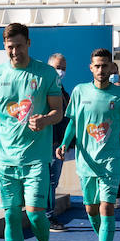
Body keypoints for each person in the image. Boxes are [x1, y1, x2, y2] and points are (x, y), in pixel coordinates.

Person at [0, 22, 65, 241]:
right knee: (10, 217)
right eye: (9, 47)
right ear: (4, 47)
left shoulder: (45, 74)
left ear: (28, 43)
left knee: (35, 215)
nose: (14, 51)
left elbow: (59, 112)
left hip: (35, 159)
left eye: (18, 45)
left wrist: (45, 120)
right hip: (6, 161)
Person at [56, 49, 120, 241]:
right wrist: (64, 143)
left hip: (111, 161)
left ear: (112, 68)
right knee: (90, 209)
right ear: (91, 68)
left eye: (105, 66)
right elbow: (73, 122)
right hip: (86, 161)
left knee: (106, 207)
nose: (102, 70)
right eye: (97, 66)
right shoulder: (80, 91)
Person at [45, 53, 72, 230]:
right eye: (57, 67)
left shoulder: (63, 91)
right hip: (46, 143)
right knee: (48, 181)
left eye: (63, 68)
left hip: (58, 145)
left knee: (53, 182)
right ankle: (47, 217)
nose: (60, 71)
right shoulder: (44, 89)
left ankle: (47, 214)